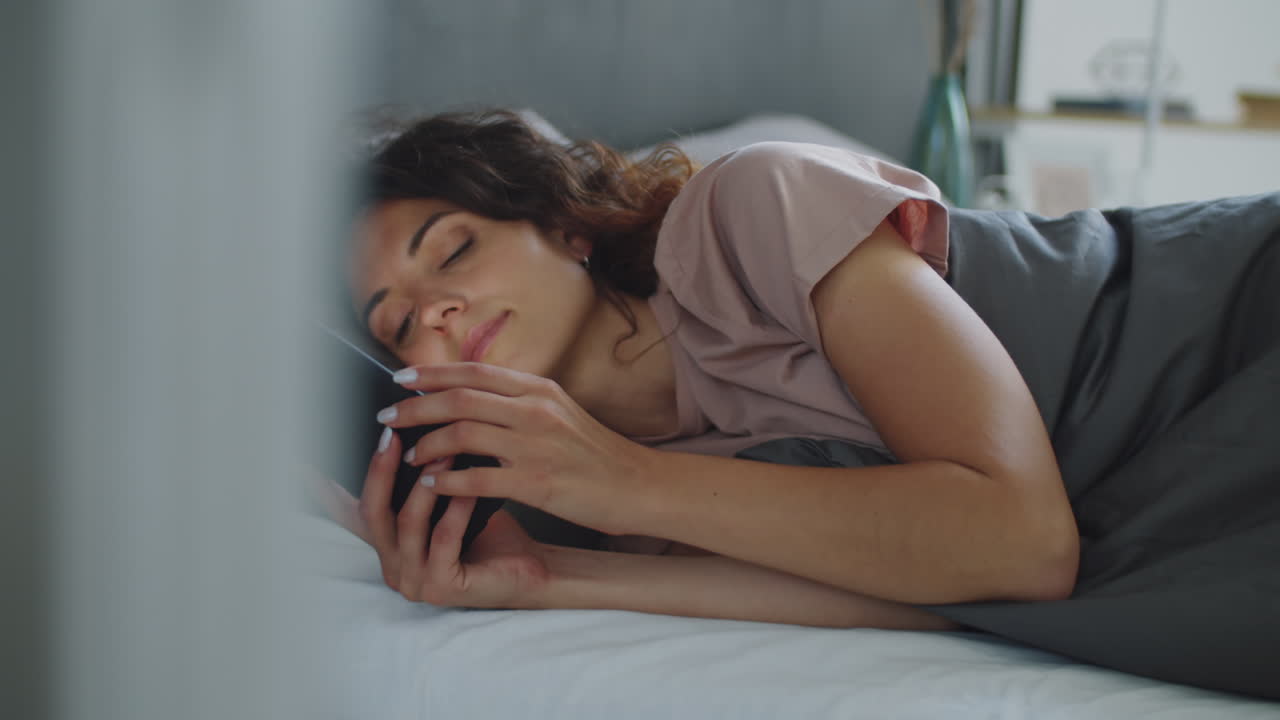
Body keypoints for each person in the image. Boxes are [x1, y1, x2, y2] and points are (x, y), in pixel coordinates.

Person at [322, 110, 1280, 698]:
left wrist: (626, 485)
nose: (434, 313)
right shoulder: (585, 486)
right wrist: (547, 575)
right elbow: (936, 596)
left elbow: (1020, 544)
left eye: (451, 251)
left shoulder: (751, 209)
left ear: (566, 226)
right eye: (398, 325)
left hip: (1223, 328)